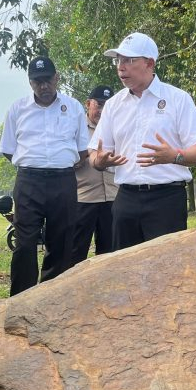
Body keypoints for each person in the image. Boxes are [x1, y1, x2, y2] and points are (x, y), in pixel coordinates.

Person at [89, 33, 196, 249]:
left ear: (150, 63)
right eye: (118, 60)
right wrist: (100, 160)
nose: (121, 67)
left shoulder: (177, 99)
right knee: (124, 271)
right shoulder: (114, 105)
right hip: (125, 199)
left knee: (167, 271)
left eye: (129, 60)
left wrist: (174, 156)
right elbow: (95, 156)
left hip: (166, 201)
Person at [0, 56, 89, 295]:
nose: (43, 86)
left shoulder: (73, 107)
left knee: (61, 243)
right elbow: (9, 149)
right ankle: (20, 301)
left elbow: (83, 149)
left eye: (47, 80)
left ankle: (51, 299)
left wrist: (58, 163)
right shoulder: (18, 109)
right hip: (29, 182)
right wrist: (35, 164)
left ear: (56, 78)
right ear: (30, 82)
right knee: (25, 244)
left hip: (63, 181)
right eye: (37, 81)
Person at [71, 85, 117, 264]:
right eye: (99, 104)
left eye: (107, 105)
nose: (102, 110)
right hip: (83, 197)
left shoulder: (116, 127)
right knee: (75, 252)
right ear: (88, 103)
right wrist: (77, 159)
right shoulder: (76, 127)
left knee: (110, 254)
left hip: (113, 196)